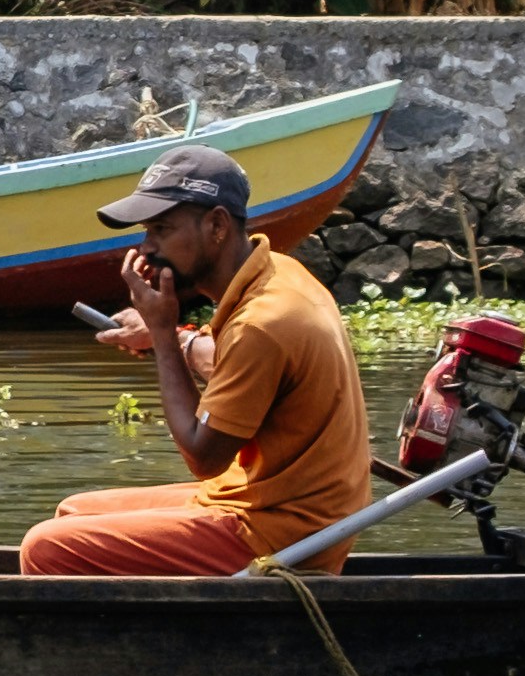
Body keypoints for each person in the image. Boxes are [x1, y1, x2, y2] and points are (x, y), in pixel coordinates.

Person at [20, 144, 380, 575]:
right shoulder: (278, 273)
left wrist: (161, 334)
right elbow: (226, 360)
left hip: (285, 532)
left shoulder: (261, 324)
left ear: (216, 225)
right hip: (261, 500)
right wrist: (169, 336)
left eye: (161, 229)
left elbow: (203, 457)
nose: (147, 247)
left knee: (46, 548)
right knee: (73, 513)